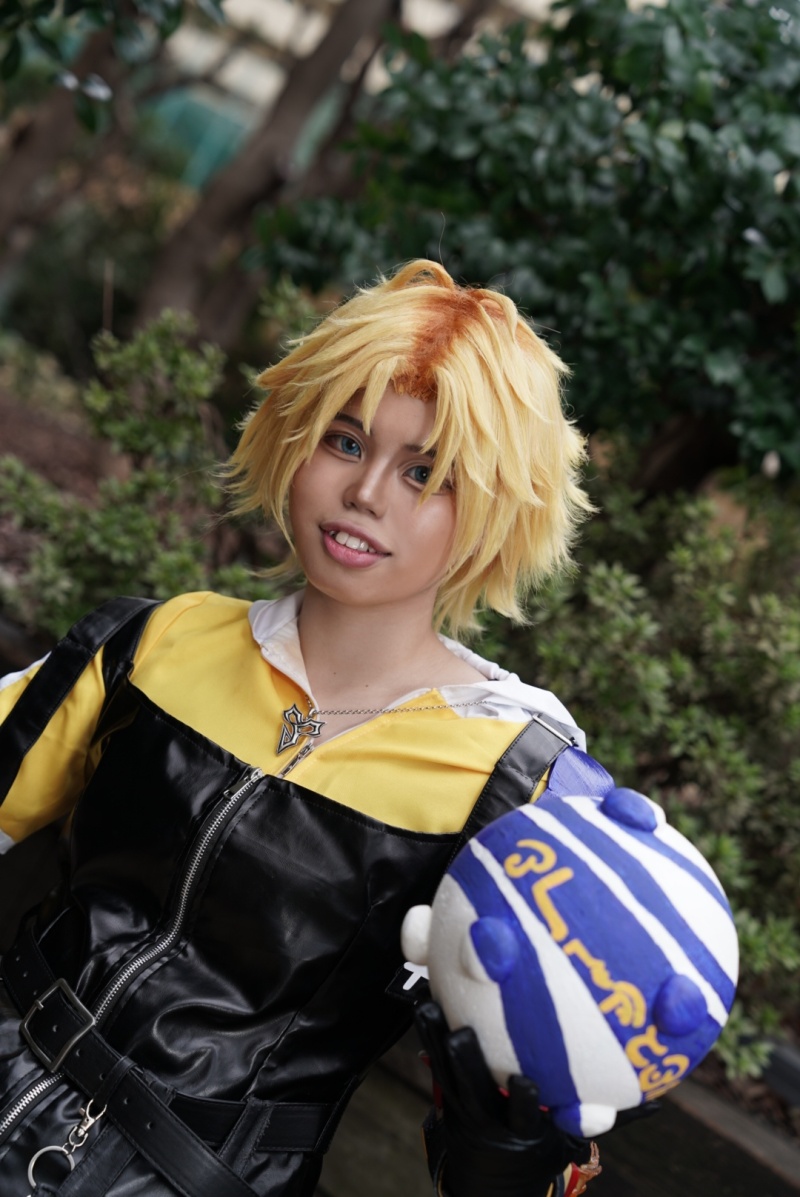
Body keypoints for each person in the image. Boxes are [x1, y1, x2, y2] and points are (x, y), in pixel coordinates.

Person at [0, 260, 596, 1197]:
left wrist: (519, 1149)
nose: (367, 493)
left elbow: (533, 1119)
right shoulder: (159, 640)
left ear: (492, 507)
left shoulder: (518, 782)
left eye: (426, 472)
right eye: (345, 441)